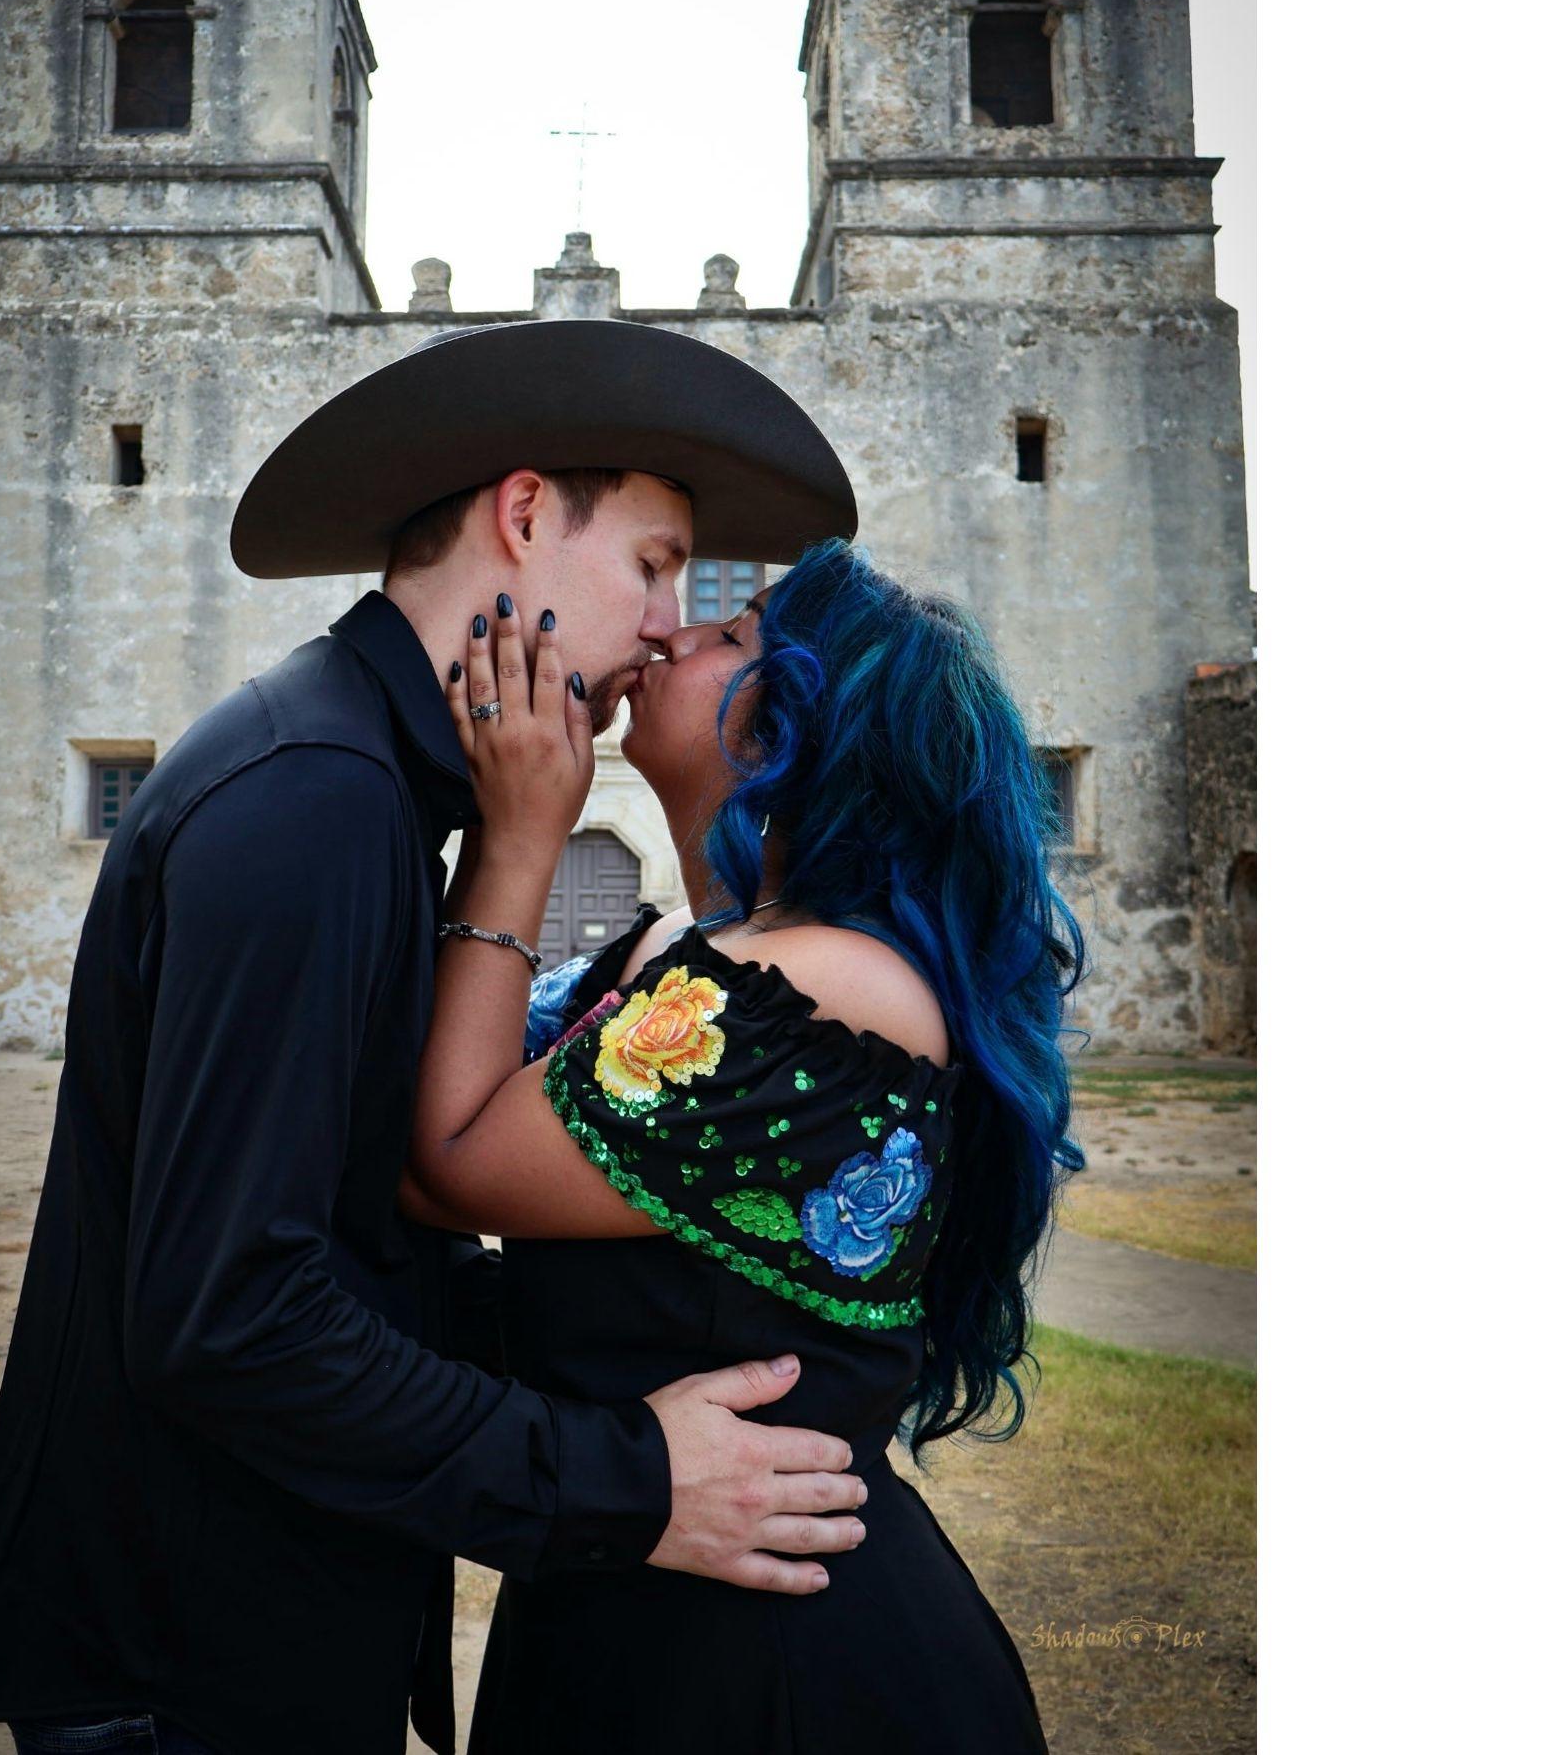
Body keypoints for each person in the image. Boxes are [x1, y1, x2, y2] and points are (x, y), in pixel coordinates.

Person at [0, 321, 877, 1755]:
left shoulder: (366, 781)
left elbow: (359, 1236)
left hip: (254, 1616)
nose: (665, 623)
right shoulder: (314, 794)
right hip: (185, 1662)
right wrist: (627, 1480)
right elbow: (235, 1317)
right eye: (652, 564)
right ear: (521, 517)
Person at [403, 536, 1087, 1753]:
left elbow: (446, 1157)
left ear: (795, 730)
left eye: (728, 634)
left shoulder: (833, 984)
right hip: (627, 1603)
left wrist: (518, 837)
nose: (671, 631)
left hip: (780, 1670)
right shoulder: (678, 946)